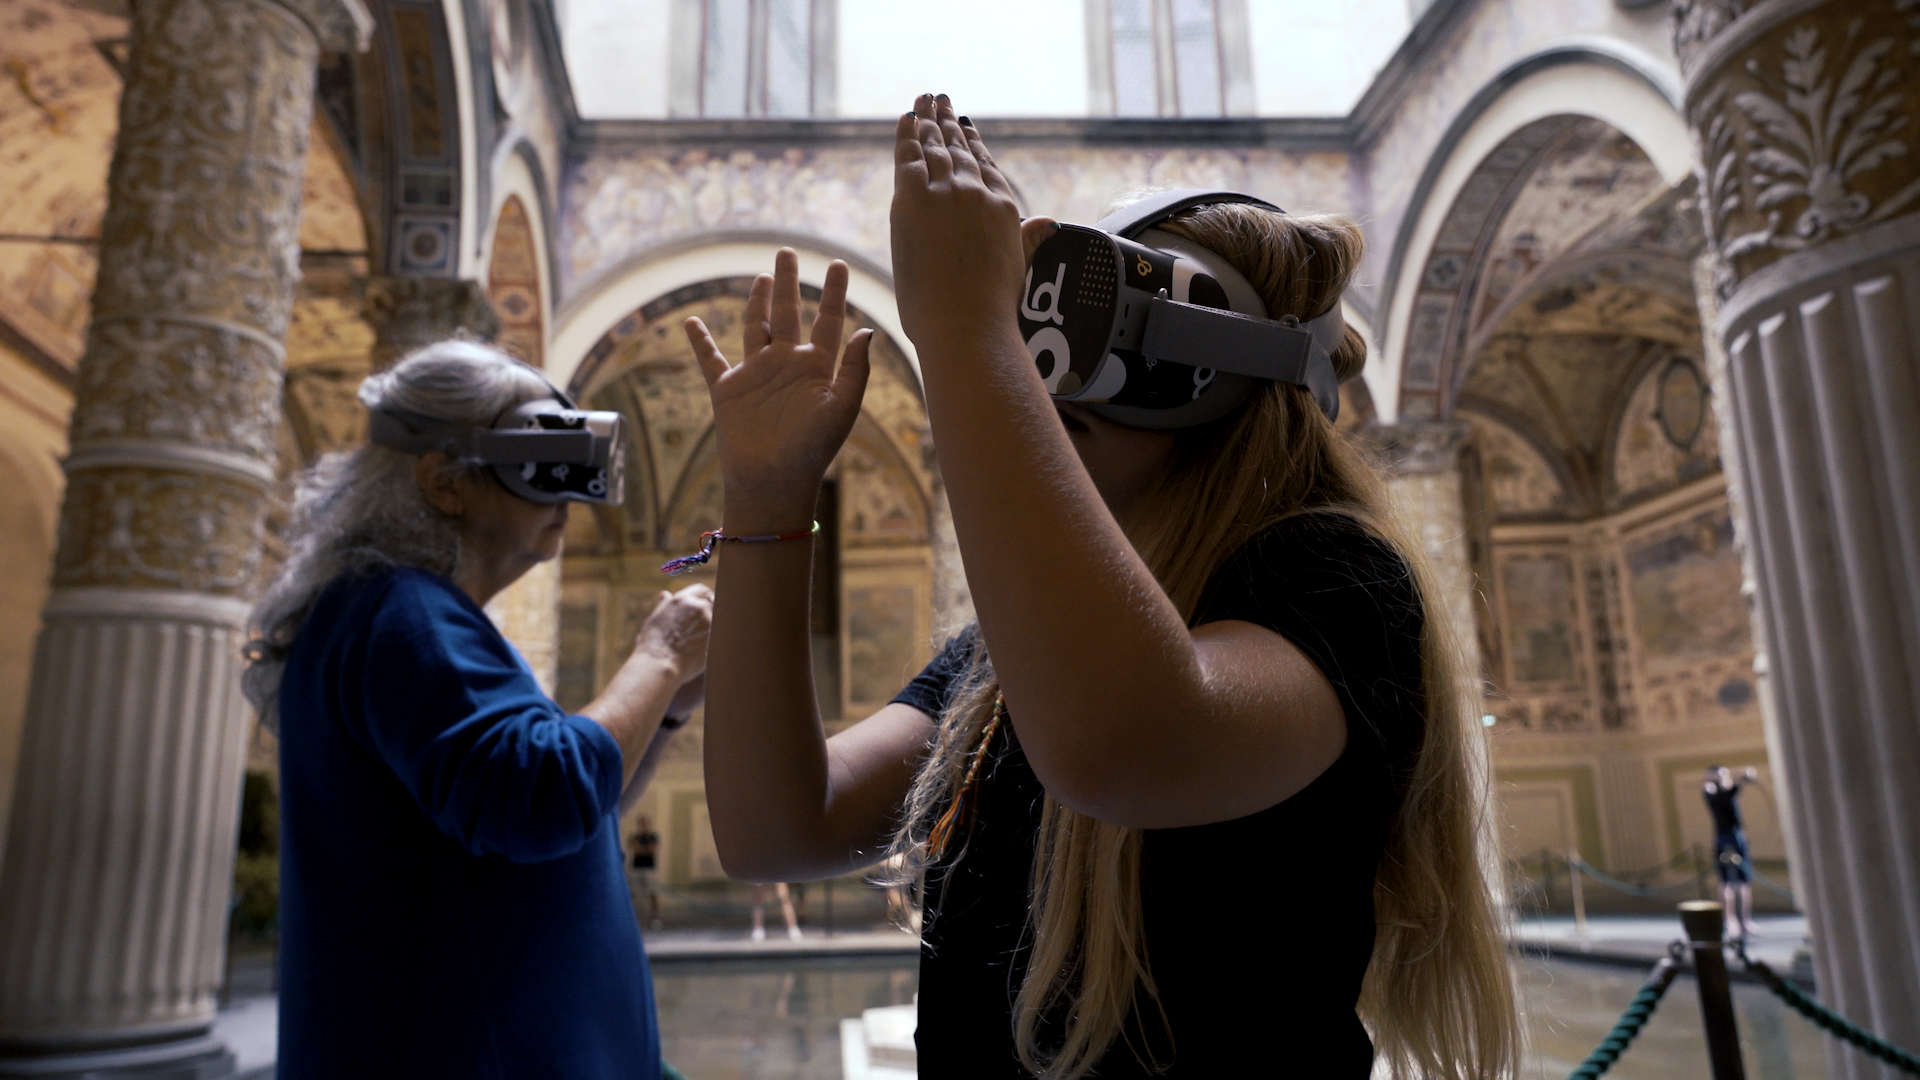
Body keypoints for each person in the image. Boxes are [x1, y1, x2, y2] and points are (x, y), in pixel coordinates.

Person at [685, 94, 1518, 1078]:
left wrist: (965, 330)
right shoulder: (1005, 663)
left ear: (1206, 365)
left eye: (1086, 313)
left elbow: (1123, 748)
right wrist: (767, 496)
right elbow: (778, 826)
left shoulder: (1332, 580)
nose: (1050, 355)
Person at [243, 341, 711, 1080]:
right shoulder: (406, 614)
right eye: (541, 461)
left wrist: (666, 710)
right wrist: (659, 656)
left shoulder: (396, 612)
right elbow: (543, 795)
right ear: (444, 480)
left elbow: (565, 818)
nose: (567, 495)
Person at [1704, 764, 1761, 941]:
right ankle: (1730, 921)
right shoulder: (1711, 790)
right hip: (1723, 837)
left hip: (1738, 836)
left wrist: (1739, 779)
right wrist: (1738, 781)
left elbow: (1731, 792)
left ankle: (1746, 921)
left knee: (1743, 882)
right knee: (1726, 882)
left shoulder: (1727, 790)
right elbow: (1723, 797)